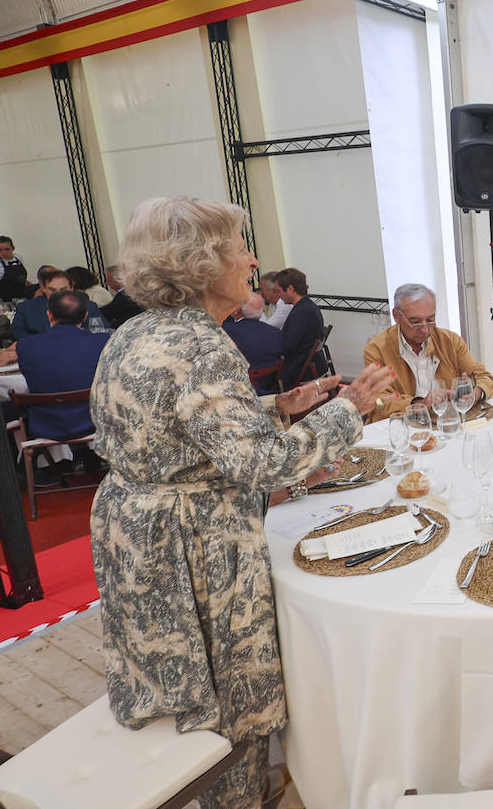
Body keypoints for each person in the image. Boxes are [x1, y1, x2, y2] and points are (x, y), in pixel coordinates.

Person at [88, 196, 394, 809]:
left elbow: (177, 428)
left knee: (188, 691)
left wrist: (280, 406)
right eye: (240, 248)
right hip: (193, 545)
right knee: (232, 705)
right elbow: (265, 465)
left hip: (135, 536)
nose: (252, 260)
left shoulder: (140, 331)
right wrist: (348, 410)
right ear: (203, 264)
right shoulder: (204, 347)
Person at [363, 282, 493, 423]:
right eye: (415, 322)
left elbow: (484, 377)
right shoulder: (377, 350)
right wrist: (420, 403)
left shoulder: (450, 341)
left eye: (430, 320)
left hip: (446, 423)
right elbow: (379, 402)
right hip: (400, 427)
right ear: (396, 316)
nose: (425, 330)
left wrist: (476, 393)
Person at [15, 289, 109, 472]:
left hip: (45, 424)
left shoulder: (26, 346)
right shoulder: (101, 341)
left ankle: (32, 469)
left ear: (49, 315)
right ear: (85, 316)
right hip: (95, 421)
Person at [10, 269, 110, 341]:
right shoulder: (26, 308)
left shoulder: (88, 306)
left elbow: (102, 331)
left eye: (63, 290)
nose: (58, 294)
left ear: (71, 289)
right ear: (43, 289)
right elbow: (18, 335)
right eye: (52, 290)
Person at [223, 293, 285, 394]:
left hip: (237, 390)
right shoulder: (277, 333)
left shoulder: (224, 332)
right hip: (270, 388)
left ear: (237, 310)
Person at [276, 267, 327, 388]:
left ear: (290, 289)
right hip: (309, 364)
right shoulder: (307, 306)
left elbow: (289, 345)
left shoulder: (302, 312)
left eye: (279, 291)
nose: (279, 295)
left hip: (299, 369)